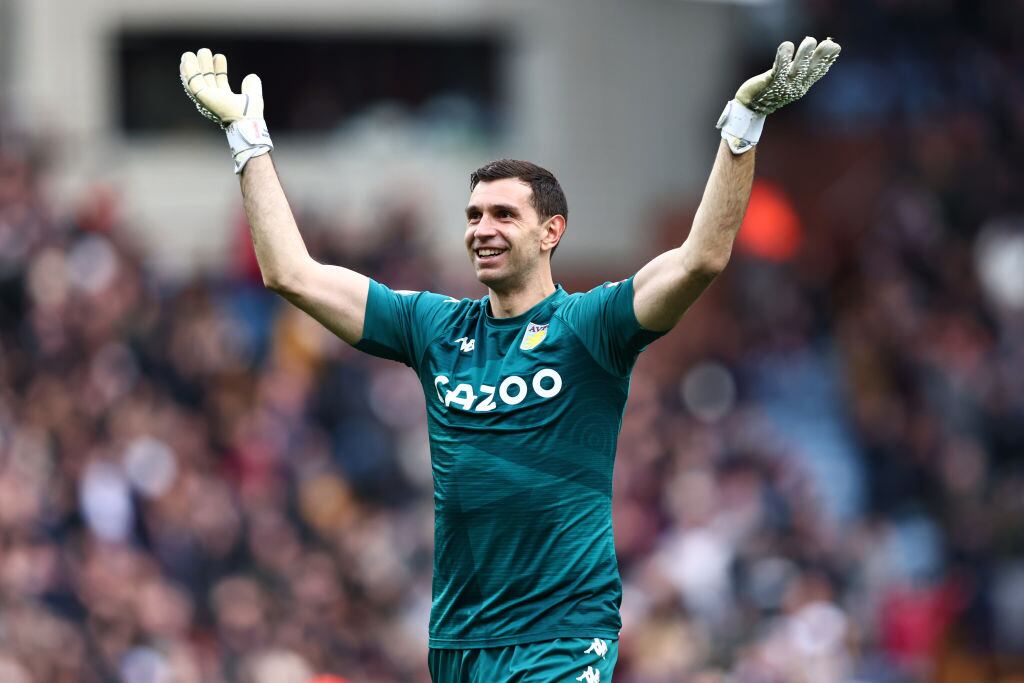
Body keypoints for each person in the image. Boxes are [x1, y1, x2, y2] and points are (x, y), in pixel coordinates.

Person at [178, 35, 840, 683]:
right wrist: (249, 144)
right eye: (472, 214)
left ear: (552, 231)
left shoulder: (592, 325)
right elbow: (291, 273)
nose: (480, 228)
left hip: (560, 635)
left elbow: (701, 258)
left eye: (502, 214)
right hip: (461, 641)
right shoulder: (433, 327)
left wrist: (742, 128)